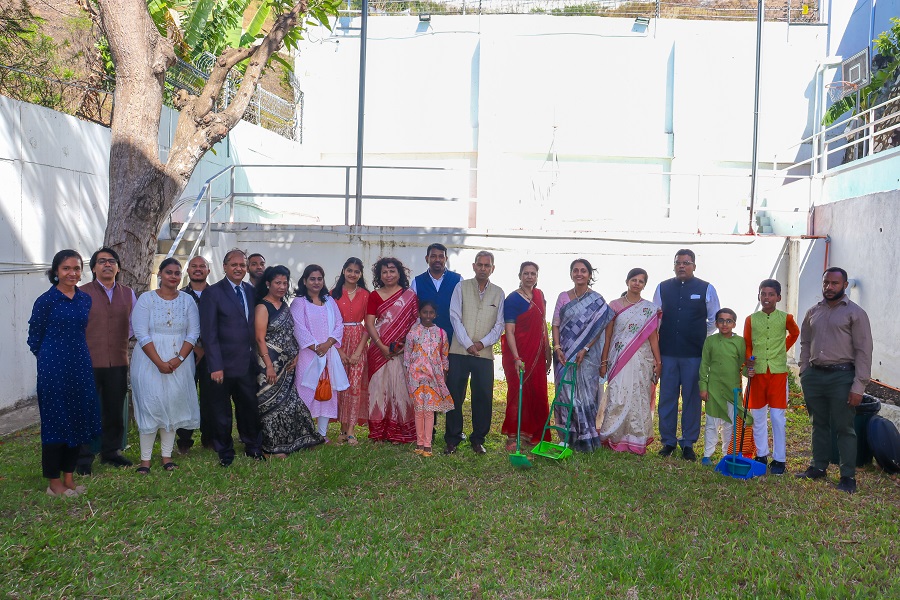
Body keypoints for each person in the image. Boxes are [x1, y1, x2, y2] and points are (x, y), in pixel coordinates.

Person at [28, 250, 101, 497]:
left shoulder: (84, 300)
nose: (72, 273)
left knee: (78, 418)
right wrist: (50, 359)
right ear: (56, 271)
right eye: (66, 269)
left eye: (77, 268)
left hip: (80, 365)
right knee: (55, 422)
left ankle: (69, 477)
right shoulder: (45, 301)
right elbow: (34, 338)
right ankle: (53, 482)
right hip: (53, 369)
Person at [797, 267, 873, 494]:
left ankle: (847, 476)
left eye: (834, 284)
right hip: (814, 376)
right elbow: (805, 344)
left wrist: (859, 386)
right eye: (826, 283)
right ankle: (818, 467)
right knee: (818, 423)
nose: (829, 287)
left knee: (844, 427)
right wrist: (804, 370)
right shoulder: (813, 312)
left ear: (845, 285)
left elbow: (864, 351)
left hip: (842, 377)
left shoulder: (855, 313)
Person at [130, 258, 201, 474]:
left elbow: (193, 333)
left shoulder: (188, 300)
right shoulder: (146, 299)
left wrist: (178, 359)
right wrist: (159, 362)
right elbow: (141, 333)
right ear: (160, 274)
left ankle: (167, 457)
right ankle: (145, 460)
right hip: (148, 359)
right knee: (151, 405)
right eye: (169, 272)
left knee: (172, 405)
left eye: (177, 273)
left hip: (180, 360)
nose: (173, 276)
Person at [652, 248, 720, 462]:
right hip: (669, 353)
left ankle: (688, 443)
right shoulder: (662, 287)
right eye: (678, 262)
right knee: (667, 398)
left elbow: (713, 319)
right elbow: (656, 320)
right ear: (674, 265)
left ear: (694, 266)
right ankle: (668, 442)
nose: (682, 266)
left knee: (692, 398)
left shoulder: (706, 288)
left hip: (693, 354)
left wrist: (698, 336)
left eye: (686, 262)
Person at [199, 248, 264, 467]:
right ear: (225, 267)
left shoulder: (250, 291)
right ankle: (224, 450)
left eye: (242, 265)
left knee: (248, 407)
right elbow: (208, 333)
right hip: (221, 365)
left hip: (246, 363)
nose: (239, 268)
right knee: (221, 411)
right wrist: (215, 366)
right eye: (234, 264)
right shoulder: (213, 293)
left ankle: (252, 446)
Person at [76, 247, 137, 474]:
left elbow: (133, 325)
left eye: (112, 261)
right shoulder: (81, 293)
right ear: (93, 268)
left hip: (118, 362)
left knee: (114, 409)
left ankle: (111, 452)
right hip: (88, 363)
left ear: (118, 267)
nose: (107, 265)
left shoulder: (128, 293)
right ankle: (83, 458)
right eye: (102, 261)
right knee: (86, 411)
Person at [254, 266, 325, 455]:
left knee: (289, 402)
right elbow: (260, 339)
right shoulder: (263, 306)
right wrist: (269, 365)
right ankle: (273, 446)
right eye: (278, 283)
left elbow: (291, 334)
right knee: (270, 404)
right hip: (269, 364)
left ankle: (295, 440)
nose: (282, 287)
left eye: (285, 283)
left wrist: (295, 356)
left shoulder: (285, 306)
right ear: (268, 284)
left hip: (288, 364)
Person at [445, 251, 505, 455]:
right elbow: (454, 317)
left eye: (487, 266)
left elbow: (499, 325)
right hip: (459, 351)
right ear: (473, 266)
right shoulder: (461, 287)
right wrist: (468, 343)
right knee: (455, 395)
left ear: (492, 269)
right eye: (479, 264)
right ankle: (453, 438)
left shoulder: (498, 292)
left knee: (483, 396)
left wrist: (481, 344)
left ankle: (478, 439)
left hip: (484, 354)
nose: (483, 268)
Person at [550, 258, 613, 452]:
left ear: (589, 274)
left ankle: (585, 437)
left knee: (586, 396)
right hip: (564, 354)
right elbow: (555, 324)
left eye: (583, 271)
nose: (579, 274)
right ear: (571, 274)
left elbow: (597, 330)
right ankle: (566, 436)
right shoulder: (563, 297)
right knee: (565, 395)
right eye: (575, 270)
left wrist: (584, 349)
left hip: (587, 357)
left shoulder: (598, 300)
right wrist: (558, 347)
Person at [598, 268, 661, 455]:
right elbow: (608, 336)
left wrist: (658, 361)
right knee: (617, 396)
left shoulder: (649, 309)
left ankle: (635, 440)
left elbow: (653, 338)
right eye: (634, 279)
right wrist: (604, 361)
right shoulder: (615, 305)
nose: (637, 283)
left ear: (644, 285)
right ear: (627, 281)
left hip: (642, 360)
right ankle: (613, 436)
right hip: (618, 358)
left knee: (638, 399)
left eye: (641, 281)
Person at [742, 278, 800, 475]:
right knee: (758, 415)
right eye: (763, 294)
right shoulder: (751, 319)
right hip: (757, 373)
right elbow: (748, 343)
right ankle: (761, 454)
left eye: (771, 294)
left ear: (778, 297)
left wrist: (782, 349)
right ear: (758, 296)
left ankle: (779, 459)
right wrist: (749, 360)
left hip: (777, 373)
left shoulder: (786, 318)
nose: (766, 298)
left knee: (777, 416)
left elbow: (795, 333)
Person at [291, 264, 349, 440]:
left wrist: (328, 343)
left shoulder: (329, 301)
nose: (316, 282)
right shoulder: (299, 302)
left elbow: (339, 324)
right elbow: (298, 328)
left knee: (326, 391)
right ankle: (304, 432)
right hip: (309, 355)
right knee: (306, 390)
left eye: (319, 279)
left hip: (329, 354)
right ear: (305, 281)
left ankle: (322, 433)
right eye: (312, 279)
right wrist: (317, 347)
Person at [365, 257, 418, 444]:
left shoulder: (409, 296)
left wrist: (401, 346)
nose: (388, 275)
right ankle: (379, 433)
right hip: (378, 350)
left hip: (401, 351)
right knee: (379, 390)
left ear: (399, 273)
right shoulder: (374, 295)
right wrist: (382, 346)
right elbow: (369, 323)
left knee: (399, 390)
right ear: (379, 275)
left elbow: (414, 324)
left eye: (392, 271)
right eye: (384, 272)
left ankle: (399, 433)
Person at [500, 261, 551, 451]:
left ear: (537, 276)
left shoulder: (540, 296)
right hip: (519, 354)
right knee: (517, 394)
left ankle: (535, 434)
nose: (529, 276)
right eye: (526, 273)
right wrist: (516, 357)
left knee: (538, 393)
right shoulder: (513, 299)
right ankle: (514, 436)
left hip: (537, 355)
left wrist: (548, 352)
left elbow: (542, 325)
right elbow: (509, 330)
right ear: (520, 276)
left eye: (533, 273)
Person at [403, 300, 454, 457]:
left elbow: (444, 354)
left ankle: (428, 444)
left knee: (429, 411)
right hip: (416, 377)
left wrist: (444, 373)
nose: (428, 315)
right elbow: (407, 354)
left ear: (435, 315)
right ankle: (419, 443)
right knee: (419, 410)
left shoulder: (441, 333)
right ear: (419, 313)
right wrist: (408, 373)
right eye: (424, 312)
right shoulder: (413, 333)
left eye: (431, 312)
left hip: (434, 377)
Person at [698, 308, 747, 465]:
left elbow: (743, 365)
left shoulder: (739, 342)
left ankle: (727, 454)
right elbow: (704, 365)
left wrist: (750, 368)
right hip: (713, 389)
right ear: (716, 323)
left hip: (732, 389)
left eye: (728, 321)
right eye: (721, 320)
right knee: (712, 423)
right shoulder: (710, 341)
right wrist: (703, 387)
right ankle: (707, 454)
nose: (724, 324)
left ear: (734, 324)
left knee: (730, 424)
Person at [332, 258, 370, 446]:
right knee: (341, 387)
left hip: (358, 343)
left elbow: (369, 325)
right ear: (343, 271)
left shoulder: (366, 295)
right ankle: (342, 429)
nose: (352, 274)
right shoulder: (333, 294)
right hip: (338, 343)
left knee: (355, 387)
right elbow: (329, 325)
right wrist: (339, 350)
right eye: (349, 270)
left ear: (361, 274)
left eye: (356, 271)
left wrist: (358, 351)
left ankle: (352, 431)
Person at [176, 255, 213, 454]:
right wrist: (193, 347)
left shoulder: (216, 294)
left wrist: (206, 348)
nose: (198, 269)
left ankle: (209, 438)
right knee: (185, 396)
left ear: (208, 271)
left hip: (212, 355)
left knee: (210, 398)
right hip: (185, 354)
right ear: (188, 271)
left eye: (202, 266)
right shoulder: (179, 295)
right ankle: (184, 441)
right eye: (193, 266)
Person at [411, 243, 461, 344]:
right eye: (433, 256)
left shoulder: (458, 280)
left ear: (446, 258)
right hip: (424, 339)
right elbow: (413, 312)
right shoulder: (417, 282)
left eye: (441, 256)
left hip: (452, 337)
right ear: (427, 258)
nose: (437, 259)